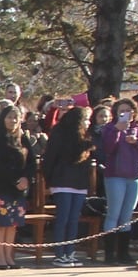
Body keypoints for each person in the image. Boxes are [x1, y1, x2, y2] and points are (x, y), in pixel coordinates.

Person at [95, 96, 138, 265]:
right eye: (121, 111)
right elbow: (107, 148)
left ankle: (123, 253)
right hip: (115, 175)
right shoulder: (109, 128)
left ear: (134, 112)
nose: (125, 114)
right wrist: (117, 130)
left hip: (135, 175)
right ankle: (109, 254)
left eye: (128, 111)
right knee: (114, 213)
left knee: (127, 215)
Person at [0, 103, 34, 270]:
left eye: (16, 117)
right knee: (2, 222)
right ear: (3, 119)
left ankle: (10, 255)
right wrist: (13, 181)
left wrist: (26, 178)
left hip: (20, 189)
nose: (13, 120)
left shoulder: (23, 138)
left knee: (13, 224)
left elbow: (31, 161)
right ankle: (0, 256)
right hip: (2, 186)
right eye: (10, 117)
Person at [40, 105, 94, 267]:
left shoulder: (85, 137)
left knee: (74, 219)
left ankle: (70, 252)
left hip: (79, 183)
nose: (88, 123)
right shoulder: (59, 133)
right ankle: (59, 253)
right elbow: (50, 158)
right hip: (62, 181)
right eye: (85, 119)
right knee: (62, 218)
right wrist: (50, 179)